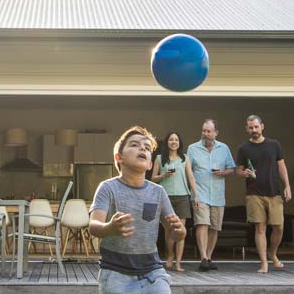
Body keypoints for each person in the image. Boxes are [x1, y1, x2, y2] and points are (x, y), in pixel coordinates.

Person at [91, 126, 187, 294]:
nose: (142, 148)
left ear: (150, 163)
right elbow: (93, 225)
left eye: (147, 147)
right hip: (115, 272)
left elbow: (174, 233)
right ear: (119, 157)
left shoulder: (158, 192)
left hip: (152, 272)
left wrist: (180, 231)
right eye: (134, 144)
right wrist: (109, 228)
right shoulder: (107, 188)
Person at [237, 115, 290, 274]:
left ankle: (272, 253)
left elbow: (281, 166)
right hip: (254, 193)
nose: (254, 130)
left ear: (262, 126)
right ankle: (264, 263)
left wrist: (287, 185)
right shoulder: (244, 148)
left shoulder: (274, 145)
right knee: (260, 228)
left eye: (256, 127)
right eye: (250, 127)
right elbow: (238, 169)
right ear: (247, 129)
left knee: (279, 227)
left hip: (274, 192)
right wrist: (243, 172)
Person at [186, 119, 236, 272]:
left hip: (218, 195)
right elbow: (189, 173)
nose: (205, 134)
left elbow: (232, 169)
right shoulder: (192, 149)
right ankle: (203, 258)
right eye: (203, 131)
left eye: (208, 131)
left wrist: (223, 172)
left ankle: (208, 257)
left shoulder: (224, 148)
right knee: (202, 224)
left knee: (214, 227)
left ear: (216, 133)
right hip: (199, 194)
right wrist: (194, 194)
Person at [147, 132, 195, 272]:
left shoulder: (185, 158)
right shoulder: (160, 159)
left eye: (176, 140)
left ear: (179, 143)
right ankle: (170, 255)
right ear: (167, 142)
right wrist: (164, 175)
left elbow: (191, 178)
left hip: (183, 197)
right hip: (166, 196)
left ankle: (178, 262)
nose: (174, 142)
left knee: (181, 230)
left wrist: (195, 196)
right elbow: (153, 179)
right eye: (171, 140)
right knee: (169, 230)